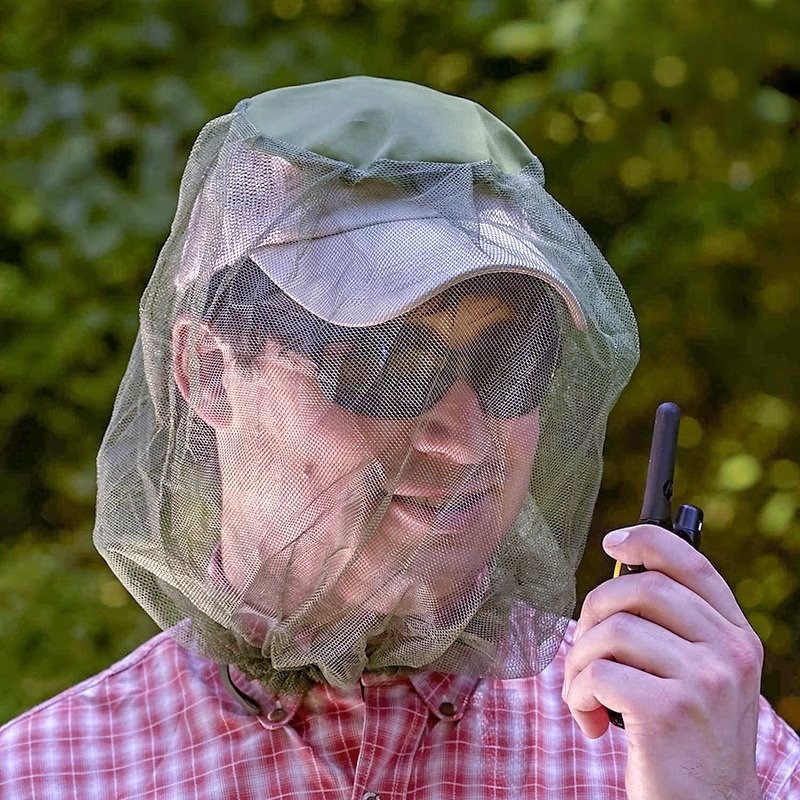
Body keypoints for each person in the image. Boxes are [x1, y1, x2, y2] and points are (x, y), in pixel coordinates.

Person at [1, 76, 797, 799]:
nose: (466, 442)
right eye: (386, 366)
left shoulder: (701, 745)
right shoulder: (48, 775)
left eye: (509, 364)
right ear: (209, 372)